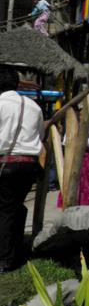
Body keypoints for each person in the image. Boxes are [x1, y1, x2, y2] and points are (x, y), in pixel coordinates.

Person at [0, 67, 43, 272]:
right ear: (17, 84)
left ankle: (5, 259)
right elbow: (40, 135)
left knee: (6, 210)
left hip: (6, 162)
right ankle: (14, 252)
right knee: (16, 207)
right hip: (28, 164)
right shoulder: (34, 106)